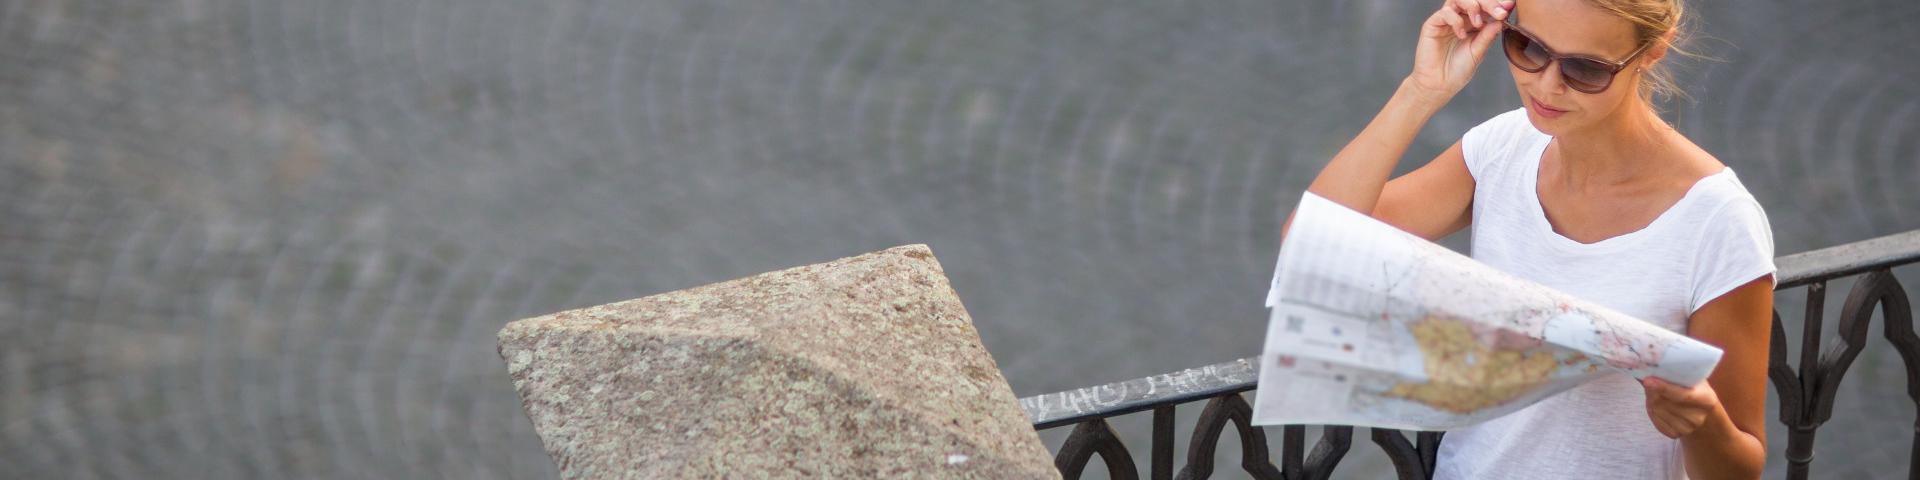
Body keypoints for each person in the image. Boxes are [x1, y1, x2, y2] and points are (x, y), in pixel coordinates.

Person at [1279, 0, 1774, 478]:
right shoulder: (1504, 147)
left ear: (1653, 51)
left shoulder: (1718, 221)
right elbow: (1309, 242)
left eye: (1586, 69)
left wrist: (1704, 423)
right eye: (1528, 47)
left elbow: (1740, 467)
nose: (1547, 85)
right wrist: (1422, 90)